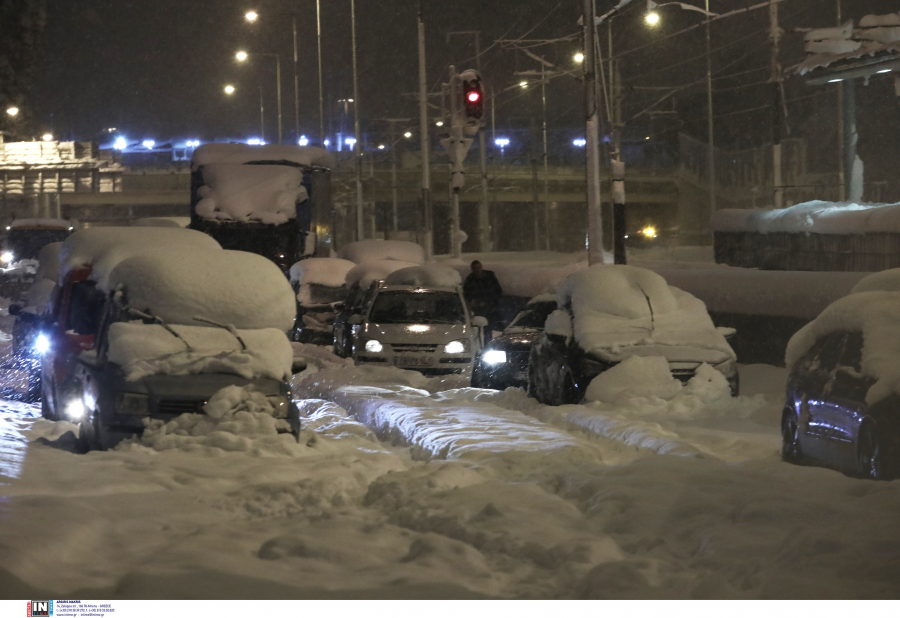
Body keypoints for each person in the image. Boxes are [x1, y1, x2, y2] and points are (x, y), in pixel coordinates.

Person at [463, 260, 503, 340]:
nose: (477, 270)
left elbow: (498, 292)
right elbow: (466, 294)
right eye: (475, 268)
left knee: (488, 330)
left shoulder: (490, 277)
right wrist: (473, 301)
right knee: (477, 330)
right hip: (477, 310)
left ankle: (487, 344)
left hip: (490, 309)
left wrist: (487, 301)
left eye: (478, 267)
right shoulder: (470, 279)